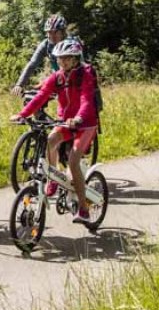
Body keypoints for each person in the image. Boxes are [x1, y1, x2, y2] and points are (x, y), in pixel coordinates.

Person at [9, 38, 99, 224]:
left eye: (66, 58)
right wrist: (23, 114)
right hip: (65, 122)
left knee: (73, 162)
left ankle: (83, 209)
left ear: (75, 59)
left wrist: (78, 118)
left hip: (85, 124)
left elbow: (86, 100)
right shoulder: (58, 77)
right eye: (59, 58)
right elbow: (41, 96)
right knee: (51, 141)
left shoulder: (86, 74)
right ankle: (53, 179)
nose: (62, 62)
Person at [9, 13, 71, 95]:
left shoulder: (71, 44)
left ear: (63, 32)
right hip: (58, 78)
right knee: (33, 94)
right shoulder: (45, 45)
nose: (52, 36)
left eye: (56, 32)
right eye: (49, 32)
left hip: (75, 79)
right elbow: (32, 64)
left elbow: (79, 69)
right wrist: (19, 84)